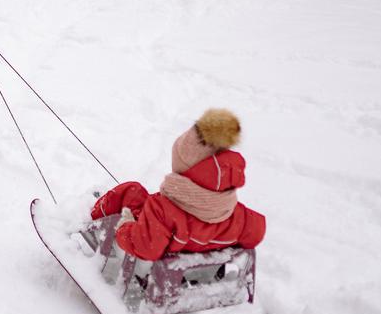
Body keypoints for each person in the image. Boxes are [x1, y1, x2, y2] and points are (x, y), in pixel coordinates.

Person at [90, 108, 266, 261]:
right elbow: (257, 230)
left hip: (151, 232)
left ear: (186, 172)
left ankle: (91, 221)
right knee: (136, 194)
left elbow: (145, 246)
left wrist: (125, 227)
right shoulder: (237, 216)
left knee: (131, 190)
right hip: (176, 238)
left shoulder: (161, 210)